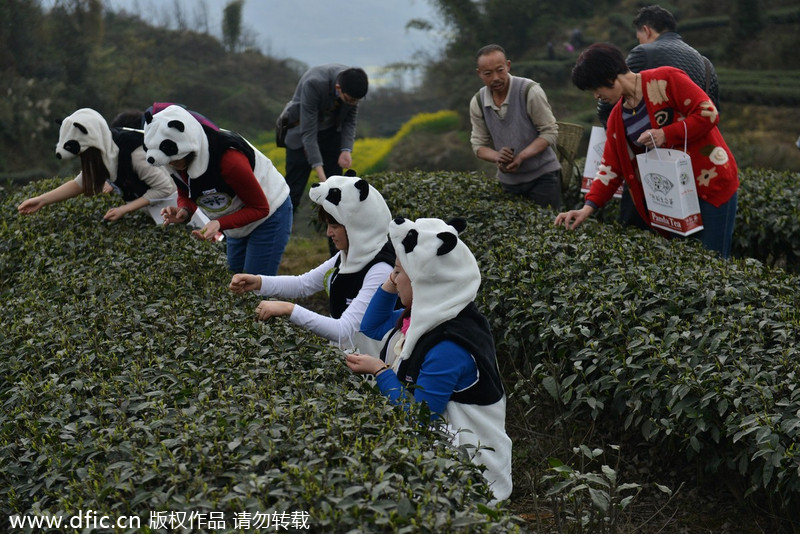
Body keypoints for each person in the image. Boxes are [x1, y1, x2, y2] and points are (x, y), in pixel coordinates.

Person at [345, 217, 512, 503]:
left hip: (473, 483)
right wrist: (395, 279)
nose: (393, 278)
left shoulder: (448, 345)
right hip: (445, 464)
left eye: (399, 272)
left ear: (425, 281)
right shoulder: (431, 316)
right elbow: (371, 326)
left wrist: (380, 371)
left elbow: (419, 419)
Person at [554, 43, 739, 258]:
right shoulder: (617, 118)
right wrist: (587, 208)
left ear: (610, 76)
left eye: (596, 88)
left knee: (714, 259)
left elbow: (708, 113)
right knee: (687, 262)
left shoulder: (666, 79)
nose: (596, 96)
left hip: (711, 185)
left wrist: (665, 134)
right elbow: (610, 167)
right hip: (674, 202)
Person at [228, 175, 393, 355]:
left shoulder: (381, 270)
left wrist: (288, 309)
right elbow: (303, 284)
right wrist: (258, 282)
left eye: (335, 226)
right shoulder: (346, 257)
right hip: (349, 359)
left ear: (358, 225)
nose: (329, 233)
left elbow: (343, 330)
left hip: (375, 365)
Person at [599, 5, 721, 230]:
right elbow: (713, 112)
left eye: (638, 36)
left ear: (646, 30)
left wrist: (622, 141)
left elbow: (611, 101)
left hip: (653, 170)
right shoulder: (705, 63)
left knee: (645, 239)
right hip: (698, 171)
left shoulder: (643, 53)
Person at [143, 104, 292, 275]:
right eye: (168, 162)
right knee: (232, 278)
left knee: (253, 283)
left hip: (269, 216)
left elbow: (260, 208)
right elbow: (186, 192)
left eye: (175, 160)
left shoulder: (230, 161)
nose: (172, 164)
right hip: (234, 223)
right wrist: (184, 210)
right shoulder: (172, 161)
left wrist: (219, 223)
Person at [17, 108, 177, 223]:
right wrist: (41, 200)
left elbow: (164, 188)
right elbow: (80, 183)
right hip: (156, 214)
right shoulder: (106, 153)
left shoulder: (134, 153)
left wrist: (124, 209)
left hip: (176, 209)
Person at [469, 44, 563, 209]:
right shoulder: (478, 102)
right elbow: (478, 145)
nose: (495, 78)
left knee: (548, 223)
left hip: (543, 177)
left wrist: (521, 157)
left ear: (508, 66)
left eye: (500, 70)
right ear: (479, 73)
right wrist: (497, 156)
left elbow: (549, 132)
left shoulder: (529, 91)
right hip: (508, 182)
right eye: (488, 73)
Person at [279, 64, 369, 212]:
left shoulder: (352, 85)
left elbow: (350, 120)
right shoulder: (314, 84)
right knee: (292, 193)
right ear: (338, 88)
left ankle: (332, 227)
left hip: (331, 133)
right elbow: (308, 132)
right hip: (301, 133)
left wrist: (346, 150)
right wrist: (322, 177)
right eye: (350, 100)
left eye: (357, 101)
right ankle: (283, 225)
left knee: (335, 194)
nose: (353, 103)